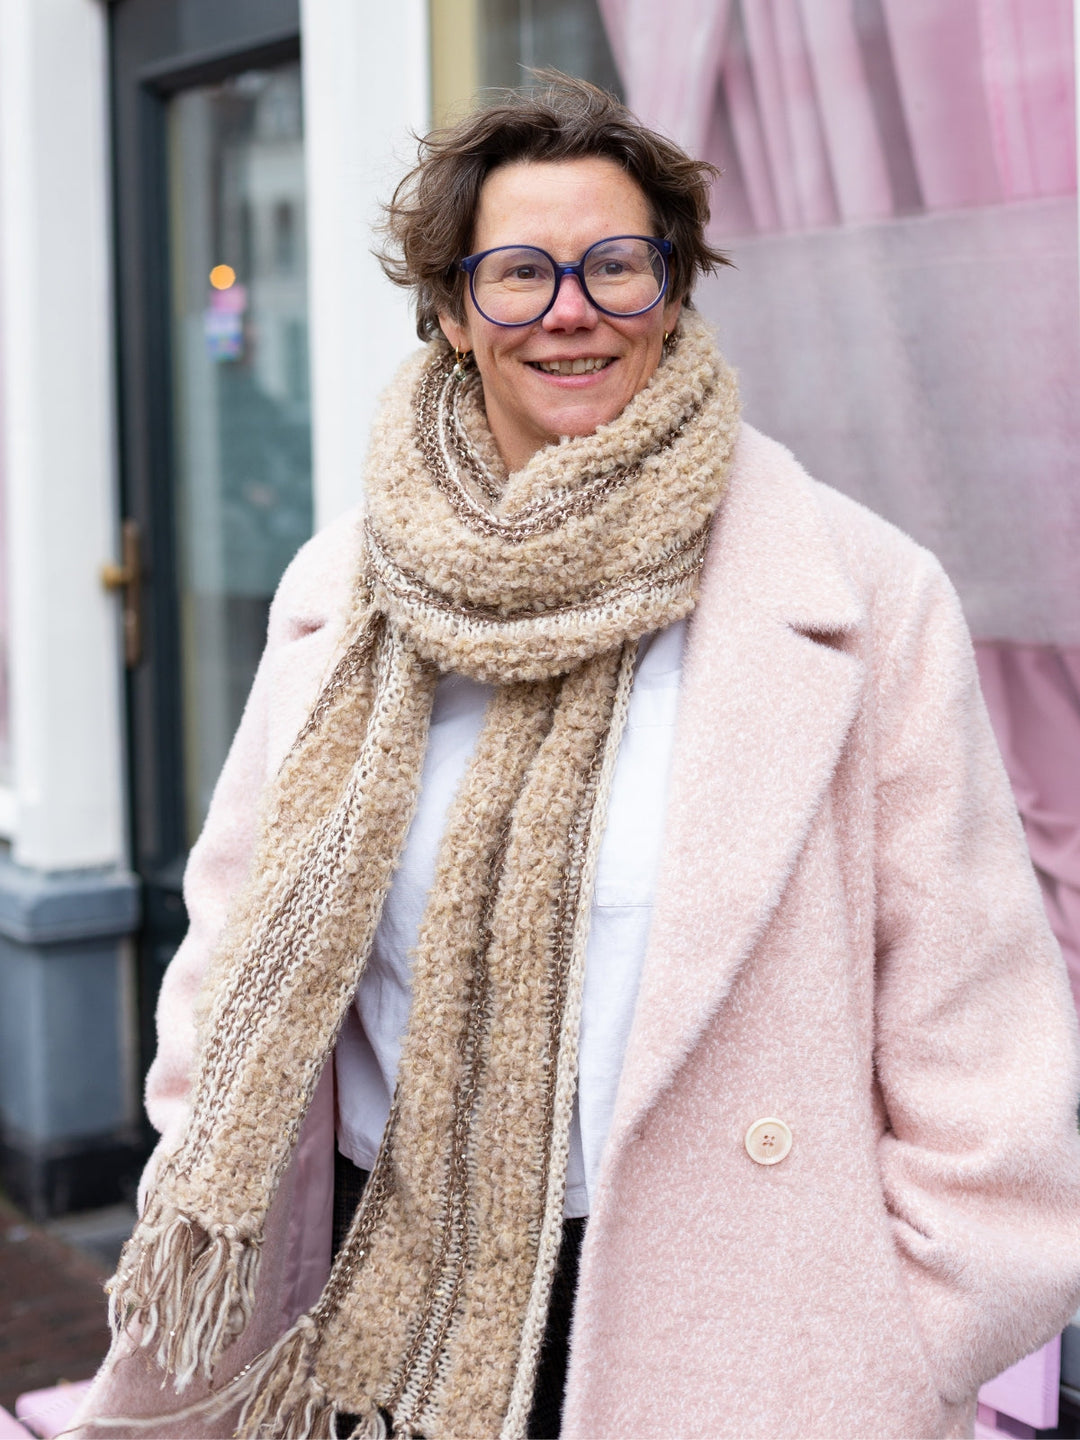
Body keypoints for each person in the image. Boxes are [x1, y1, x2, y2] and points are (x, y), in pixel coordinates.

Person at [77, 74, 1080, 1440]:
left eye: (616, 264)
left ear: (672, 289)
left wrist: (903, 1351)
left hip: (748, 1345)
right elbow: (234, 934)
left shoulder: (863, 594)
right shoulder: (347, 591)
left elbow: (976, 1029)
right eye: (518, 272)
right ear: (451, 311)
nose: (571, 309)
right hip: (382, 1324)